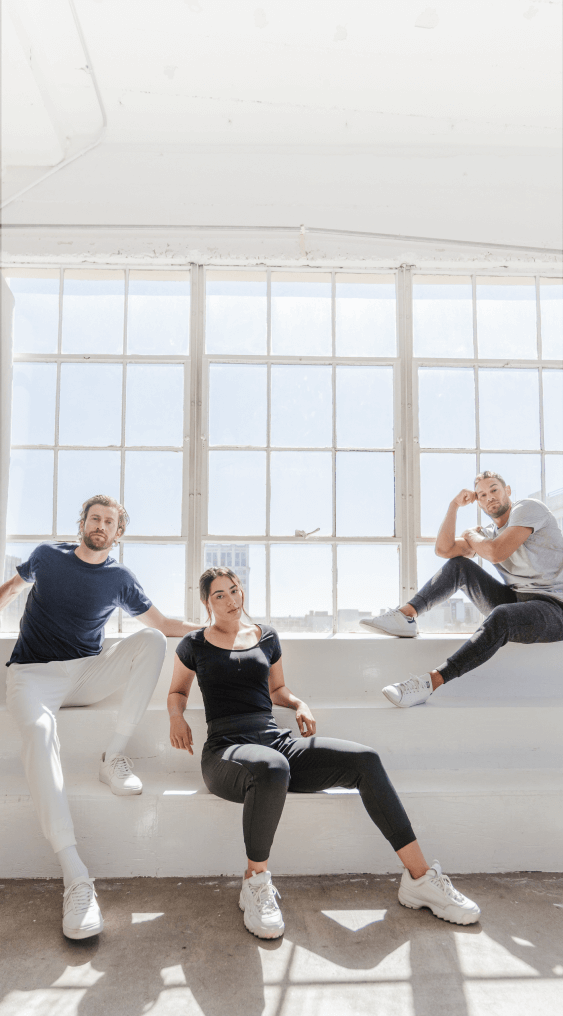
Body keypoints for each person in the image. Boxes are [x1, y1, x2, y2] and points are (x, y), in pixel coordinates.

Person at [168, 566, 481, 940]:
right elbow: (178, 692)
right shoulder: (194, 644)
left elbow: (277, 689)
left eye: (235, 590)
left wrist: (299, 704)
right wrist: (176, 717)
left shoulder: (267, 637)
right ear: (206, 602)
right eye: (220, 594)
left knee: (365, 760)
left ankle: (419, 879)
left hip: (274, 743)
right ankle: (255, 883)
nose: (231, 600)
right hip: (226, 751)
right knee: (271, 767)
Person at [1, 495, 200, 940]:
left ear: (118, 533)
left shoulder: (119, 578)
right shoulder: (47, 556)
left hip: (86, 673)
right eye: (95, 518)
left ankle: (113, 756)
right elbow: (11, 590)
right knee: (37, 731)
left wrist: (226, 629)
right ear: (83, 523)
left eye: (109, 521)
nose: (100, 525)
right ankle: (76, 876)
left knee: (149, 640)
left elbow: (164, 625)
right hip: (32, 676)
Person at [360, 472, 563, 708]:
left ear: (508, 491)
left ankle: (429, 683)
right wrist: (454, 506)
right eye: (482, 495)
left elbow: (497, 552)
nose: (489, 498)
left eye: (494, 490)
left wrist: (470, 535)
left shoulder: (528, 509)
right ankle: (406, 615)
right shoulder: (486, 535)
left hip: (555, 608)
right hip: (519, 600)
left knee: (503, 616)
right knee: (460, 565)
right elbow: (444, 550)